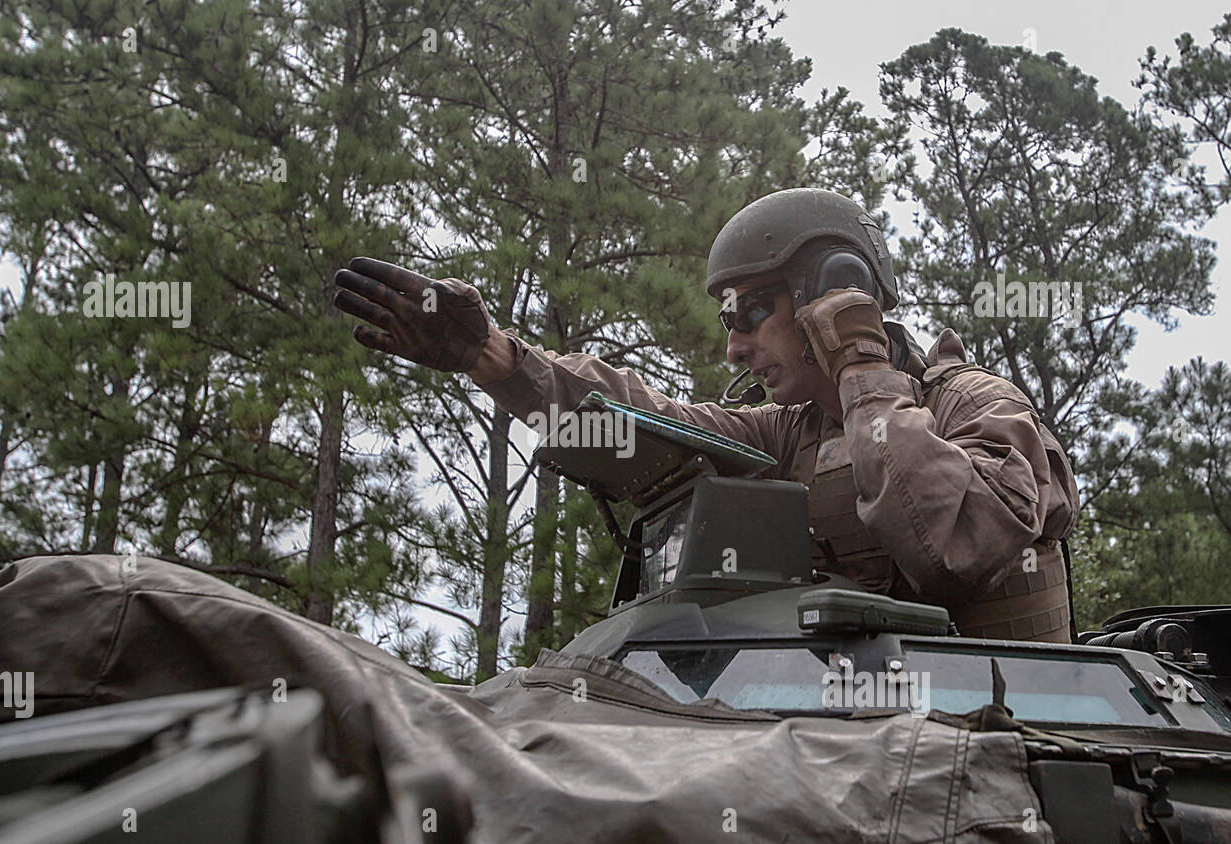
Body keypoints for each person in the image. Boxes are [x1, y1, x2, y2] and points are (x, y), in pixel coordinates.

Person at [333, 188, 1081, 643]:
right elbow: (647, 417)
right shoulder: (790, 434)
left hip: (1016, 753)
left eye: (750, 312)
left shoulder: (973, 405)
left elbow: (952, 541)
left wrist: (861, 366)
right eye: (727, 317)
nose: (734, 345)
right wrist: (497, 358)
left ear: (832, 288)